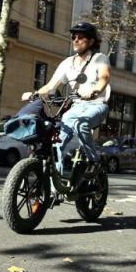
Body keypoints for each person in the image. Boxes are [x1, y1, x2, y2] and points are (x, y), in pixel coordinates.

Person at [21, 22, 110, 173]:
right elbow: (50, 86)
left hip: (96, 104)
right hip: (75, 107)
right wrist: (34, 93)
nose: (75, 40)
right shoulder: (67, 63)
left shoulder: (100, 58)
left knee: (81, 125)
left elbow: (104, 77)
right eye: (73, 37)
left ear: (91, 41)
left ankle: (93, 161)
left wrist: (95, 91)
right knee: (56, 143)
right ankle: (57, 186)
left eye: (80, 37)